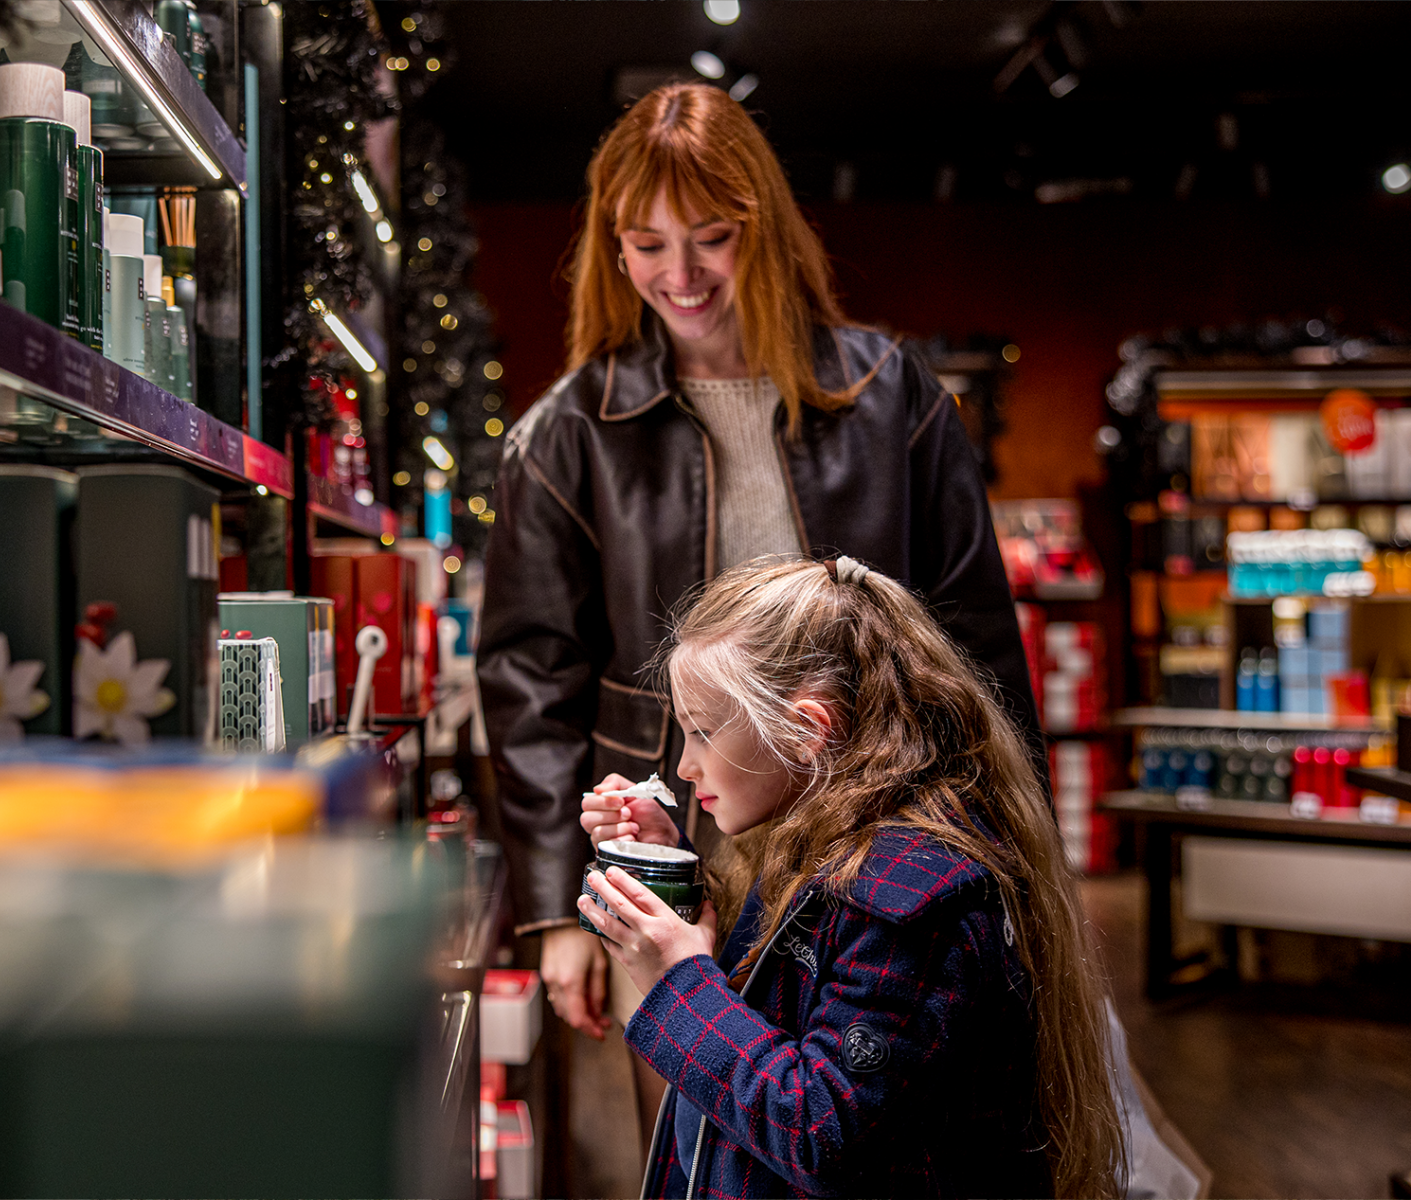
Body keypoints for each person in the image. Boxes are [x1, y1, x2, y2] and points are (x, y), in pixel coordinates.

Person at [475, 81, 1040, 1164]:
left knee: (876, 1156)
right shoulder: (566, 435)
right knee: (702, 1154)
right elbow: (530, 682)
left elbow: (977, 651)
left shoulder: (891, 396)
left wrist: (1015, 868)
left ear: (765, 228)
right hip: (670, 847)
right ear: (612, 246)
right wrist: (557, 912)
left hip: (879, 859)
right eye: (647, 244)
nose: (679, 275)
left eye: (713, 237)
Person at [578, 556, 1122, 1198]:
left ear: (807, 730)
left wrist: (677, 984)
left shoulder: (915, 903)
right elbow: (784, 992)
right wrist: (671, 872)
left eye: (701, 733)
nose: (686, 766)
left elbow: (820, 1133)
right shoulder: (818, 831)